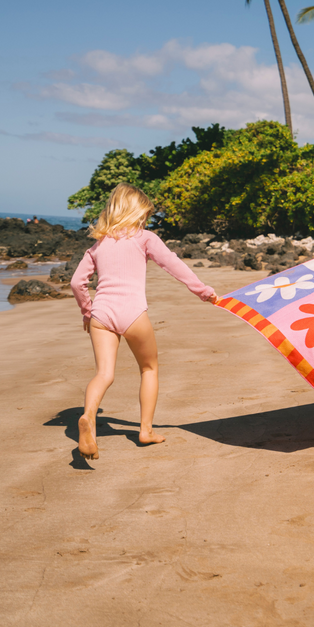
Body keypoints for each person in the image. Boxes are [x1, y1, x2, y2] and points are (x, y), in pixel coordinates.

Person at [71, 183, 219, 460]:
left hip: (101, 314)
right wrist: (203, 291)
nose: (145, 221)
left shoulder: (98, 245)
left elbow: (77, 282)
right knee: (149, 369)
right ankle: (146, 431)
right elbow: (173, 265)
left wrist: (87, 312)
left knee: (104, 374)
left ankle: (88, 416)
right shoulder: (146, 238)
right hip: (133, 313)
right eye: (145, 215)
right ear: (137, 211)